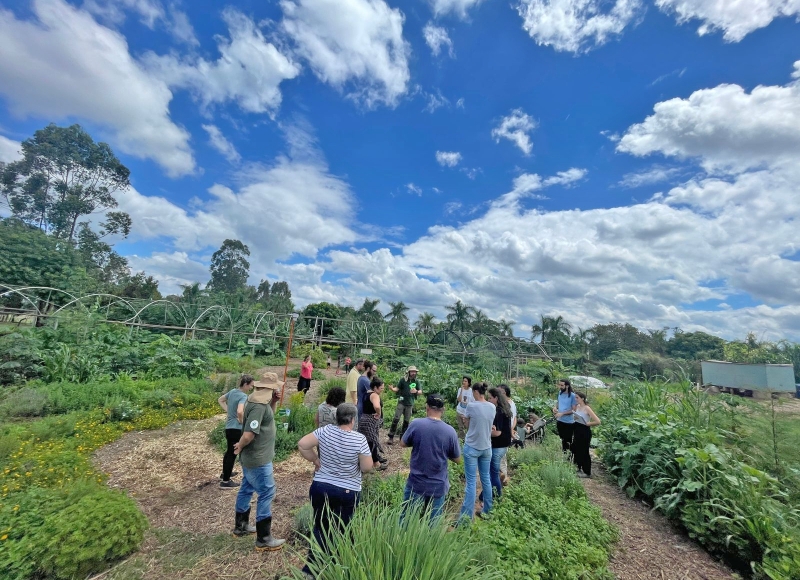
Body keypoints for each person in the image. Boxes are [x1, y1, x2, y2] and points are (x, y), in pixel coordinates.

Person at [297, 404, 373, 576]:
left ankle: (311, 570)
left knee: (320, 527)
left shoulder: (324, 431)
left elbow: (302, 444)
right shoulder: (359, 439)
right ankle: (340, 568)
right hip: (347, 490)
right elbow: (367, 467)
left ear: (336, 417)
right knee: (343, 529)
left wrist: (316, 460)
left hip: (321, 487)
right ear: (353, 419)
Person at [232, 372, 286, 551]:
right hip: (258, 459)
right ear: (270, 388)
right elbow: (249, 433)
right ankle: (264, 538)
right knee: (267, 492)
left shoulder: (258, 402)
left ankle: (241, 526)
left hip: (254, 458)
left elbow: (266, 418)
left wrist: (274, 402)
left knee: (246, 488)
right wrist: (240, 445)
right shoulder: (258, 407)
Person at [400, 393, 461, 521]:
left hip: (416, 483)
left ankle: (402, 540)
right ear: (443, 410)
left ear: (426, 407)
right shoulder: (450, 431)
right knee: (433, 523)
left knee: (406, 520)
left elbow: (403, 443)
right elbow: (457, 459)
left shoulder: (416, 424)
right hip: (438, 485)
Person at [457, 382, 495, 522]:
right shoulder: (492, 406)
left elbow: (467, 425)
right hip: (486, 447)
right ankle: (487, 511)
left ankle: (466, 518)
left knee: (471, 482)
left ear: (476, 392)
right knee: (486, 479)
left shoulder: (472, 406)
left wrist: (465, 420)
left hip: (472, 447)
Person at [218, 374, 254, 488]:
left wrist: (229, 411)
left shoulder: (233, 391)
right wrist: (242, 420)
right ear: (245, 384)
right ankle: (225, 481)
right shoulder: (243, 396)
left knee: (229, 451)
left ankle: (225, 473)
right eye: (250, 386)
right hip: (236, 428)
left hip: (229, 427)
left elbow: (221, 399)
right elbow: (240, 411)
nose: (251, 388)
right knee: (233, 453)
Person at [487, 387, 512, 499]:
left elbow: (497, 433)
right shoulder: (505, 408)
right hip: (504, 445)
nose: (488, 400)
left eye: (490, 398)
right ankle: (486, 495)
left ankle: (497, 496)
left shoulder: (498, 411)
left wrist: (485, 432)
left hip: (498, 446)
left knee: (493, 473)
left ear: (496, 398)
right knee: (494, 472)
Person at [387, 366, 422, 445]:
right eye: (412, 371)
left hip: (410, 404)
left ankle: (402, 438)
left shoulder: (416, 381)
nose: (414, 373)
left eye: (415, 372)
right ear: (408, 372)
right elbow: (397, 388)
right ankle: (391, 436)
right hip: (401, 402)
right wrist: (393, 389)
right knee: (396, 418)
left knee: (406, 421)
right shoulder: (403, 380)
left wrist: (416, 391)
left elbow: (420, 392)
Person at [358, 376, 388, 470]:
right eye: (381, 388)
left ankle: (369, 462)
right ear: (375, 387)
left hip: (364, 419)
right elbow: (377, 406)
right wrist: (379, 413)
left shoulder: (366, 393)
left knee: (367, 442)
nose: (382, 390)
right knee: (372, 442)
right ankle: (375, 464)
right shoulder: (374, 395)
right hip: (370, 421)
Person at [572, 391, 601, 478]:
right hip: (577, 429)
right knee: (576, 449)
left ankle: (587, 472)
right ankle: (577, 467)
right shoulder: (577, 407)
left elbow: (598, 421)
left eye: (577, 398)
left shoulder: (587, 408)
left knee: (584, 450)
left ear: (582, 399)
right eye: (575, 397)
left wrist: (588, 423)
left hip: (584, 431)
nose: (576, 399)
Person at [552, 379, 577, 456]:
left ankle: (570, 457)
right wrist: (555, 408)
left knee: (568, 440)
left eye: (562, 385)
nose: (560, 386)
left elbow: (574, 410)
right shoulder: (560, 393)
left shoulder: (572, 396)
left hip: (569, 422)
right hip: (560, 420)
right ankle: (565, 455)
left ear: (567, 386)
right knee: (562, 439)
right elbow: (558, 403)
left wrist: (562, 413)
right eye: (559, 385)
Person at [499, 384, 516, 484]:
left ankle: (503, 478)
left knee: (501, 457)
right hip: (507, 433)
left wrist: (510, 429)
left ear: (504, 392)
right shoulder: (510, 403)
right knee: (502, 457)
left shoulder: (507, 404)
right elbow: (515, 419)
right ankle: (503, 477)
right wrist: (511, 429)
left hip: (504, 434)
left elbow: (513, 419)